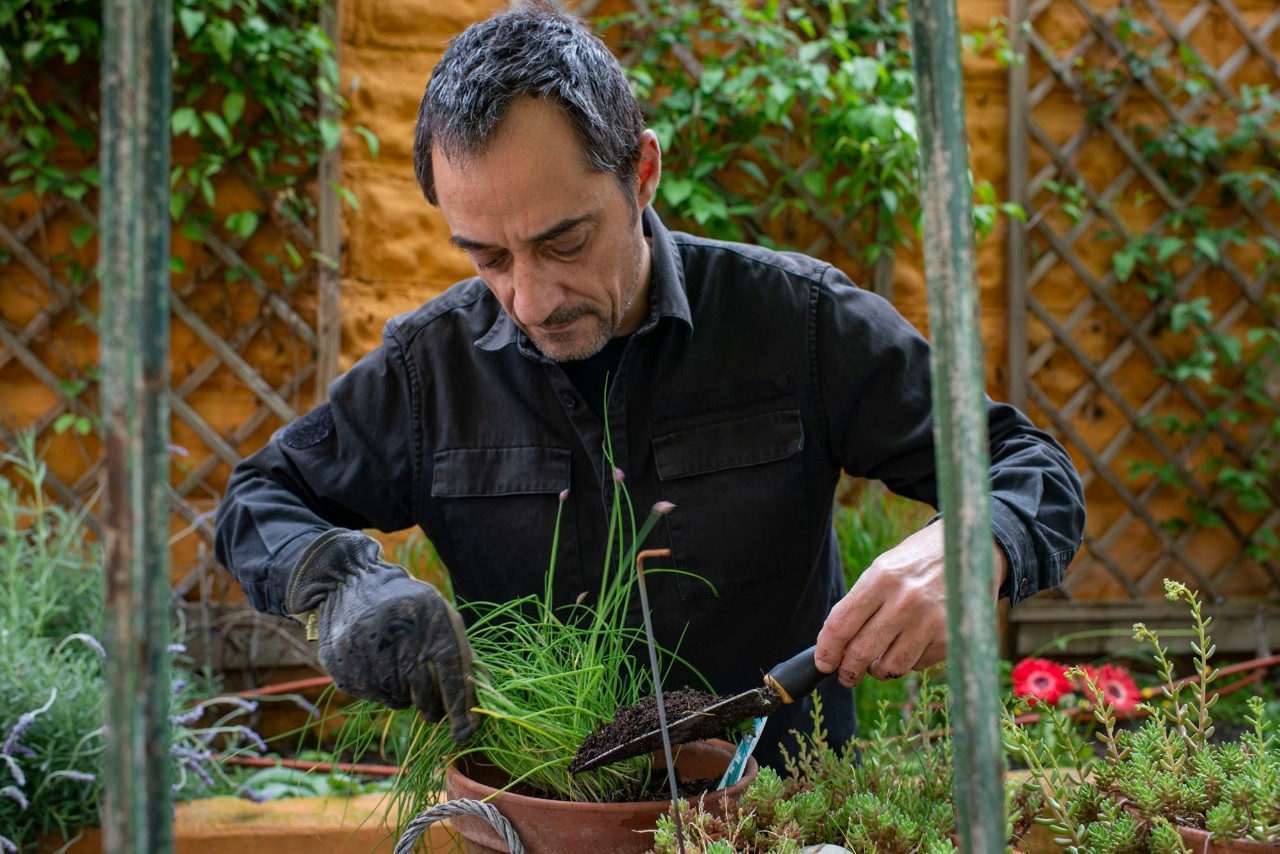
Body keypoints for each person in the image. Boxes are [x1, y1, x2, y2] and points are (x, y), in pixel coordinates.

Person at [213, 4, 1086, 769]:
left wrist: (974, 547)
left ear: (641, 173)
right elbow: (259, 497)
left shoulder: (797, 322)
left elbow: (1028, 466)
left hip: (780, 816)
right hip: (539, 817)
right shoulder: (428, 369)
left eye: (564, 241)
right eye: (487, 257)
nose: (531, 298)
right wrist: (338, 583)